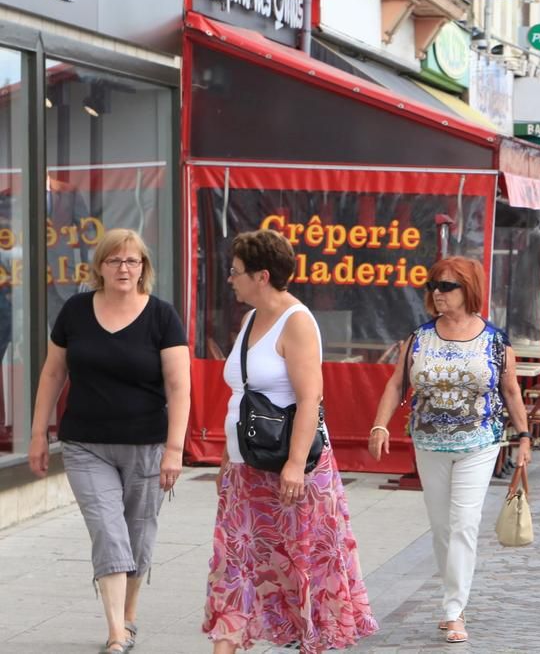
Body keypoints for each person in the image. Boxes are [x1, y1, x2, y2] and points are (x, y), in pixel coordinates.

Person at [204, 229, 377, 653]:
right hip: (248, 468)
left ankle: (309, 643)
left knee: (302, 568)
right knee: (235, 568)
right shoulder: (248, 321)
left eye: (236, 271)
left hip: (291, 469)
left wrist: (296, 464)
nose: (231, 279)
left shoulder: (297, 322)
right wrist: (229, 455)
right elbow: (242, 396)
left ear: (262, 276)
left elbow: (309, 397)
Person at [28, 228, 190, 654]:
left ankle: (130, 614)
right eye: (115, 260)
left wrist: (175, 449)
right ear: (99, 267)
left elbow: (179, 387)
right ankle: (116, 631)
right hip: (85, 443)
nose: (124, 268)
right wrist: (37, 434)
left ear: (144, 268)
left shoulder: (161, 316)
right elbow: (51, 373)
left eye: (133, 261)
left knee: (138, 534)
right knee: (108, 530)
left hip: (146, 443)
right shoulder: (75, 311)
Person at [368, 255, 532, 644]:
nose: (437, 293)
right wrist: (379, 424)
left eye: (446, 286)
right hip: (428, 442)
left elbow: (510, 390)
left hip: (480, 442)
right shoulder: (419, 337)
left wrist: (524, 437)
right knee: (442, 527)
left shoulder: (495, 339)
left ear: (468, 290)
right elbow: (396, 384)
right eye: (433, 286)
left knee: (463, 523)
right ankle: (452, 597)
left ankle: (453, 610)